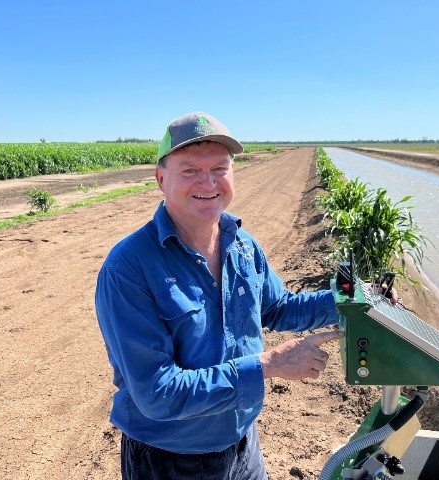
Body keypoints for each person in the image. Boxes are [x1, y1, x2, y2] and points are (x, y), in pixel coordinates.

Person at [94, 111, 344, 479]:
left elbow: (277, 308)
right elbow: (158, 394)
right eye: (190, 170)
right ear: (161, 179)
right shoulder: (129, 267)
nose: (208, 182)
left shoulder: (241, 244)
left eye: (220, 168)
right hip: (171, 460)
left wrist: (352, 302)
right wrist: (268, 365)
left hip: (243, 446)